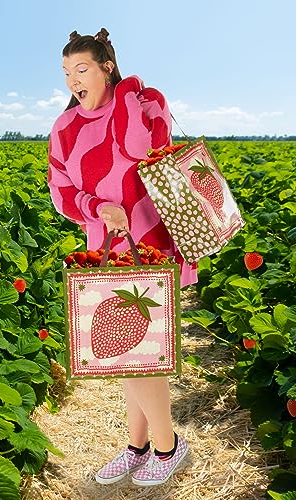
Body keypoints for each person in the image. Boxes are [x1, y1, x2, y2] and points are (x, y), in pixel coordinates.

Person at [48, 27, 197, 487]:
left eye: (84, 68)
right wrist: (98, 207)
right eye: (68, 72)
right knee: (124, 354)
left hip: (151, 238)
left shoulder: (145, 101)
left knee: (139, 352)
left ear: (106, 67)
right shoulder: (65, 128)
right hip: (105, 247)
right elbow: (61, 191)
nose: (75, 80)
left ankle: (169, 446)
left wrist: (128, 91)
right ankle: (137, 448)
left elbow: (141, 147)